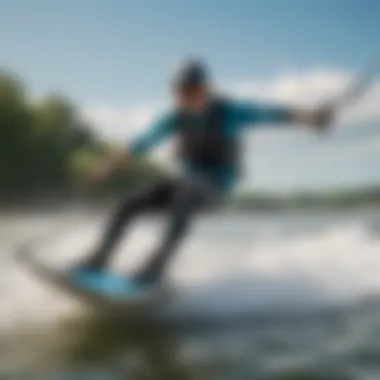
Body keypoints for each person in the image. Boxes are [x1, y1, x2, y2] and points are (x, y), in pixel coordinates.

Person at [75, 58, 333, 286]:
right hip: (186, 186)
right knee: (131, 202)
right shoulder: (175, 117)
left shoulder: (229, 112)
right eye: (180, 93)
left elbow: (273, 114)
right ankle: (98, 259)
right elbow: (143, 142)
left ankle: (155, 268)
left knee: (186, 191)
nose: (187, 98)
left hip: (214, 190)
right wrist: (106, 167)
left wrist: (312, 117)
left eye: (192, 91)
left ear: (205, 89)